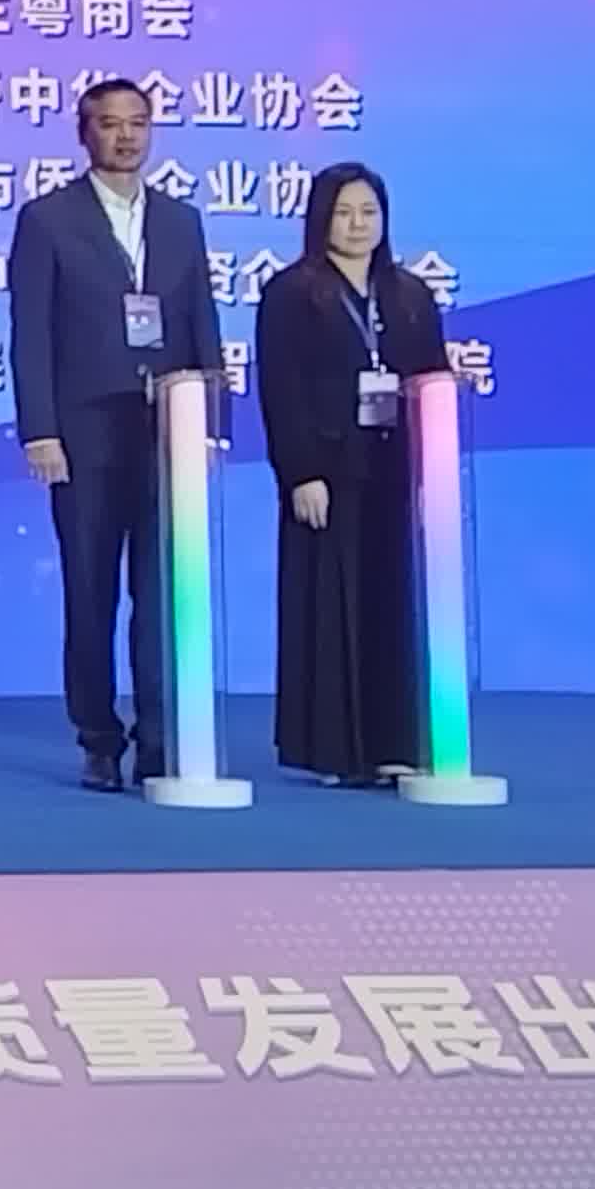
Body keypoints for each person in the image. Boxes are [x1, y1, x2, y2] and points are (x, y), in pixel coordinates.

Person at [5, 76, 222, 790]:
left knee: (161, 595)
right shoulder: (48, 219)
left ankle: (160, 738)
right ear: (84, 133)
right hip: (84, 430)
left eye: (138, 122)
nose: (126, 136)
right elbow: (30, 333)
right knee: (90, 590)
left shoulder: (181, 221)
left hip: (167, 429)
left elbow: (202, 323)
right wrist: (40, 430)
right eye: (110, 123)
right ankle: (99, 737)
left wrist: (209, 425)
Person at [258, 162, 446, 786]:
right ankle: (334, 752)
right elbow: (281, 391)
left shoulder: (410, 295)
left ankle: (393, 744)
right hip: (328, 471)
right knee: (329, 604)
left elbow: (431, 377)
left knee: (391, 603)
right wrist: (300, 473)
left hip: (396, 470)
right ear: (320, 219)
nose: (358, 225)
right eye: (343, 212)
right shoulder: (291, 293)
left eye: (369, 212)